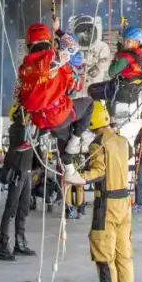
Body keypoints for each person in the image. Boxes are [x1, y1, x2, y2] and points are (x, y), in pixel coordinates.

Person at [68, 100, 135, 282]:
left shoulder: (98, 144)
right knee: (123, 254)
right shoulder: (122, 140)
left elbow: (99, 172)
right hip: (124, 203)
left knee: (104, 256)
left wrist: (77, 177)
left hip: (106, 204)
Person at [15, 21, 94, 180]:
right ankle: (77, 141)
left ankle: (70, 171)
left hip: (42, 120)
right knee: (88, 104)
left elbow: (19, 96)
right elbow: (73, 47)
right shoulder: (52, 60)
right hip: (58, 113)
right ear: (48, 41)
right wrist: (58, 30)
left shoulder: (24, 69)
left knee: (63, 136)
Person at [0, 104, 36, 260]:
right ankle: (3, 246)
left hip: (26, 172)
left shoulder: (29, 129)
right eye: (27, 115)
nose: (29, 118)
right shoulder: (16, 129)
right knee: (10, 209)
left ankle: (20, 243)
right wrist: (30, 129)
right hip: (17, 173)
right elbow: (21, 143)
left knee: (23, 209)